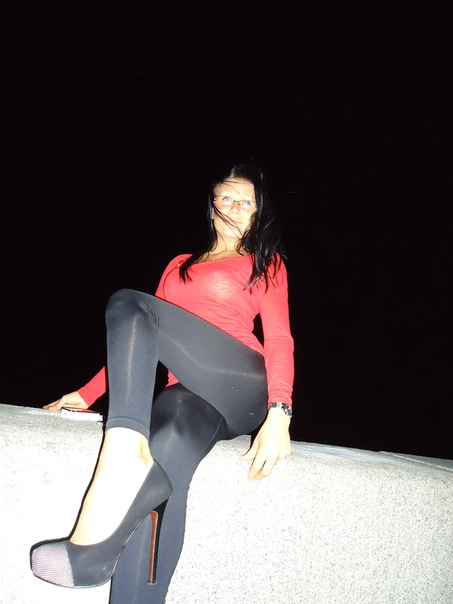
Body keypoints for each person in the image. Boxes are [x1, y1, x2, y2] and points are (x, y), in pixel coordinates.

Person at [30, 159, 294, 603]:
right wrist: (85, 393)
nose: (234, 206)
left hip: (241, 383)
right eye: (226, 196)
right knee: (168, 447)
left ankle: (121, 456)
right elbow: (139, 340)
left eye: (247, 201)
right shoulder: (179, 265)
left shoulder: (265, 263)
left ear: (258, 213)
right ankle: (105, 564)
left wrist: (280, 413)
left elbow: (281, 338)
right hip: (188, 397)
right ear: (211, 204)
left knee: (129, 304)